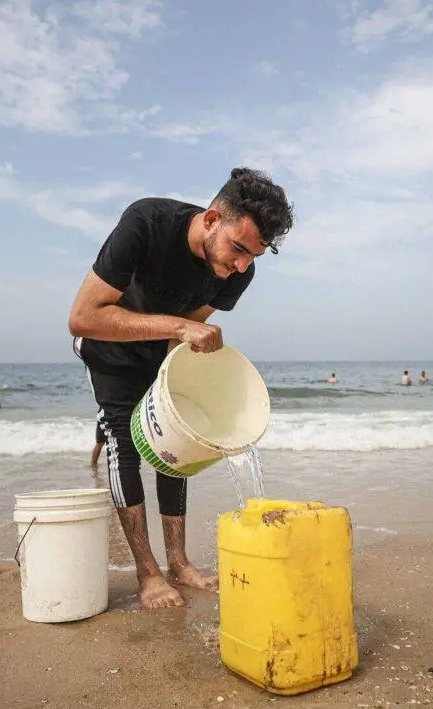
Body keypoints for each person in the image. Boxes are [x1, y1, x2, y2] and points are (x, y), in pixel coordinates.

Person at [68, 166, 295, 610]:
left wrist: (183, 385)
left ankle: (178, 562)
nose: (242, 266)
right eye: (238, 248)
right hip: (107, 346)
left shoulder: (238, 270)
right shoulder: (147, 223)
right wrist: (177, 328)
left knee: (175, 447)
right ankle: (148, 573)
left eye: (253, 256)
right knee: (124, 443)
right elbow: (82, 317)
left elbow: (193, 325)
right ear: (211, 219)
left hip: (161, 350)